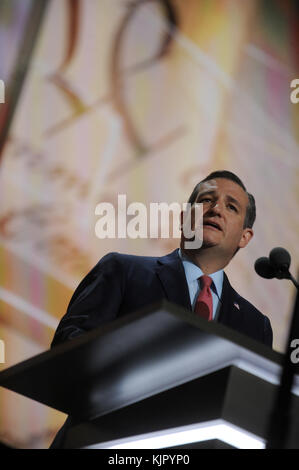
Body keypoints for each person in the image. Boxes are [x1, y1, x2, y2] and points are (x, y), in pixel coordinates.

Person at [49, 170, 273, 447]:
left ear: (244, 236)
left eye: (231, 206)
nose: (216, 209)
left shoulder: (255, 326)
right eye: (206, 200)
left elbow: (250, 411)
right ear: (183, 219)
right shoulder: (122, 271)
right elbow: (67, 348)